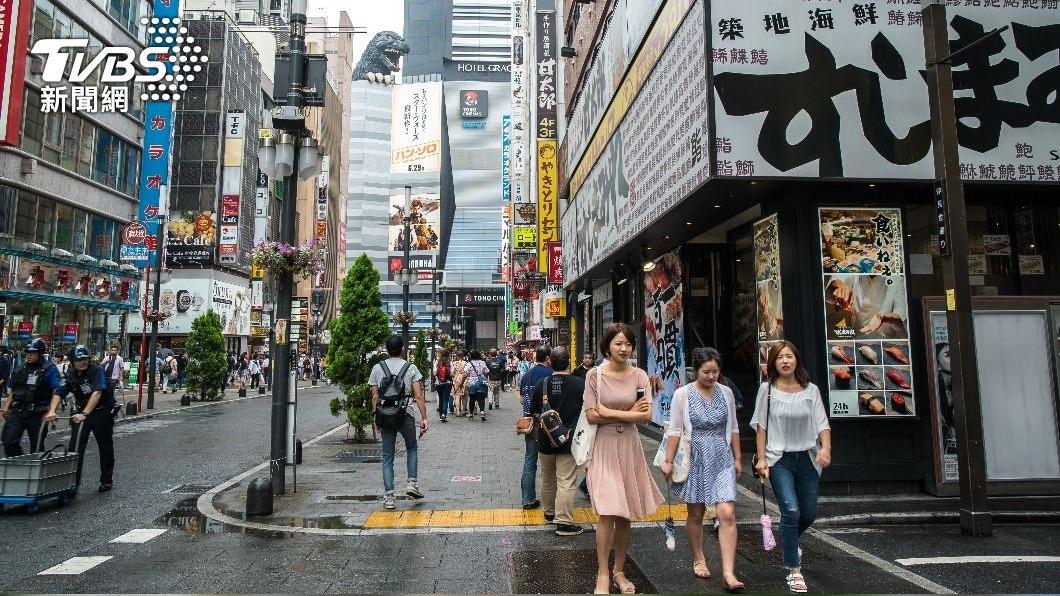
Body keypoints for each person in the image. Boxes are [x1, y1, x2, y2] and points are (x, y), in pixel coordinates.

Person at [584, 323, 663, 595]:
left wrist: (610, 411)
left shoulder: (640, 376)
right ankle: (603, 574)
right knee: (607, 511)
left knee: (625, 513)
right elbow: (592, 415)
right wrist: (626, 412)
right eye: (618, 343)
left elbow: (645, 416)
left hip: (629, 446)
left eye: (628, 344)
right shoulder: (595, 375)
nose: (624, 348)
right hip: (603, 447)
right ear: (607, 346)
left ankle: (619, 571)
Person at [752, 341, 832, 594]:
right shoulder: (767, 390)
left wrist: (826, 449)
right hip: (779, 459)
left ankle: (790, 541)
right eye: (779, 358)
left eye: (789, 356)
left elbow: (822, 424)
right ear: (773, 363)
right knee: (791, 510)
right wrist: (762, 458)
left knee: (808, 513)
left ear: (796, 360)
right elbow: (761, 427)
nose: (785, 361)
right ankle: (793, 570)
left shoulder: (811, 390)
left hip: (807, 457)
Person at [663, 348, 744, 591]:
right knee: (696, 513)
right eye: (706, 372)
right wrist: (668, 460)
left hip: (721, 455)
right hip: (694, 455)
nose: (711, 376)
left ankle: (729, 573)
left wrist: (738, 457)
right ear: (695, 371)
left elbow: (734, 428)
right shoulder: (682, 395)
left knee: (726, 512)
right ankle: (699, 558)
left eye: (715, 372)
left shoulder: (726, 392)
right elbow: (675, 430)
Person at [368, 335, 428, 510]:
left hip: (385, 415)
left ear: (387, 349)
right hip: (405, 414)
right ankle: (411, 483)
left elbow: (375, 396)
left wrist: (375, 417)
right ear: (402, 349)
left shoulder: (378, 368)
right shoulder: (410, 368)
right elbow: (418, 395)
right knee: (412, 447)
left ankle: (389, 497)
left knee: (387, 456)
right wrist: (424, 418)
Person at [531, 347, 585, 536]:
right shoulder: (580, 384)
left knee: (547, 478)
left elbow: (534, 412)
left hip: (545, 440)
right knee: (566, 481)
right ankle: (563, 522)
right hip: (568, 440)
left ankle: (549, 513)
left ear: (550, 362)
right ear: (568, 361)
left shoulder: (541, 384)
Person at [59, 345, 116, 492]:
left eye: (85, 359)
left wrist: (85, 413)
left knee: (105, 446)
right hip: (81, 412)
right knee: (75, 447)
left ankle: (106, 480)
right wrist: (51, 410)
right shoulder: (70, 374)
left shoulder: (97, 370)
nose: (83, 362)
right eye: (79, 359)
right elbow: (59, 392)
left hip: (101, 411)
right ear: (72, 361)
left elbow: (97, 392)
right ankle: (73, 483)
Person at [1, 339, 62, 457]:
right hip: (18, 410)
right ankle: (20, 467)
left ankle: (35, 471)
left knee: (37, 448)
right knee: (8, 440)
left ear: (40, 353)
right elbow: (14, 390)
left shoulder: (49, 369)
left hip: (38, 413)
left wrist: (52, 411)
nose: (28, 355)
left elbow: (57, 391)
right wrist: (6, 408)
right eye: (27, 352)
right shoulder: (20, 368)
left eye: (32, 353)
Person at [519, 346, 552, 510]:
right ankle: (551, 503)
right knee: (551, 463)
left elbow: (522, 399)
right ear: (547, 358)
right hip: (549, 424)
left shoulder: (527, 376)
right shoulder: (551, 374)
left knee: (530, 459)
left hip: (531, 423)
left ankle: (527, 499)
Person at [464, 350, 490, 421]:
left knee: (472, 398)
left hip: (471, 383)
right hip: (481, 382)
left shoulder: (469, 363)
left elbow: (465, 372)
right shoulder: (482, 362)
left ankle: (471, 414)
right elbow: (487, 371)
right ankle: (482, 412)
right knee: (481, 398)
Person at [434, 349, 453, 422]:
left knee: (441, 398)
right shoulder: (449, 361)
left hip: (438, 383)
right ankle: (444, 414)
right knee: (446, 399)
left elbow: (434, 373)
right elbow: (452, 373)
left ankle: (440, 415)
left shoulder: (437, 361)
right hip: (447, 383)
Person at [451, 349, 469, 417]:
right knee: (464, 396)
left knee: (457, 396)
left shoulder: (454, 363)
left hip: (456, 379)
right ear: (463, 356)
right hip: (464, 379)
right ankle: (464, 410)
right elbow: (467, 372)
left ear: (456, 356)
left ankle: (458, 412)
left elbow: (452, 373)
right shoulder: (465, 363)